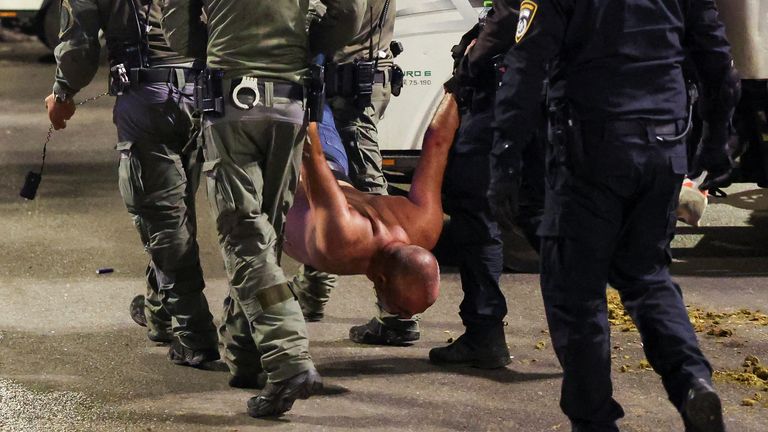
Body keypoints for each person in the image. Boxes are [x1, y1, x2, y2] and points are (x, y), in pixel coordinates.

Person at [489, 1, 739, 431]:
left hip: (592, 150)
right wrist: (717, 138)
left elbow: (526, 67)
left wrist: (505, 160)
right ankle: (691, 380)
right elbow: (718, 62)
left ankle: (594, 422)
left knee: (576, 292)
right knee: (647, 275)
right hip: (665, 142)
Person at [161, 0, 364, 418]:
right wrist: (304, 44)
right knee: (264, 235)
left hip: (231, 99)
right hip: (290, 102)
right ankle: (247, 354)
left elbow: (178, 32)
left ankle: (288, 358)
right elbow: (348, 14)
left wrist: (219, 43)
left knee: (244, 236)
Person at [45, 0, 218, 366]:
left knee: (163, 216)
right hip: (208, 94)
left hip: (147, 98)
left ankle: (194, 333)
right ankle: (160, 312)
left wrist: (62, 94)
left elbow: (79, 49)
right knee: (178, 204)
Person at [429, 0, 545, 370]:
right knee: (543, 217)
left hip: (500, 107)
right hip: (545, 109)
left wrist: (466, 67)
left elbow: (507, 20)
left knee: (475, 213)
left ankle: (484, 334)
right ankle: (583, 335)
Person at [294, 0, 417, 347]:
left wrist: (309, 35)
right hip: (354, 79)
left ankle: (398, 312)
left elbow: (346, 13)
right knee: (326, 187)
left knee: (371, 202)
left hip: (347, 85)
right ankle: (312, 292)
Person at [284, 93, 460, 317]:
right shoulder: (344, 237)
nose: (406, 317)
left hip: (326, 155)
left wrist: (456, 88)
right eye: (400, 311)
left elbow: (438, 141)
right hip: (289, 158)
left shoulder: (426, 226)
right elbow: (309, 155)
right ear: (381, 281)